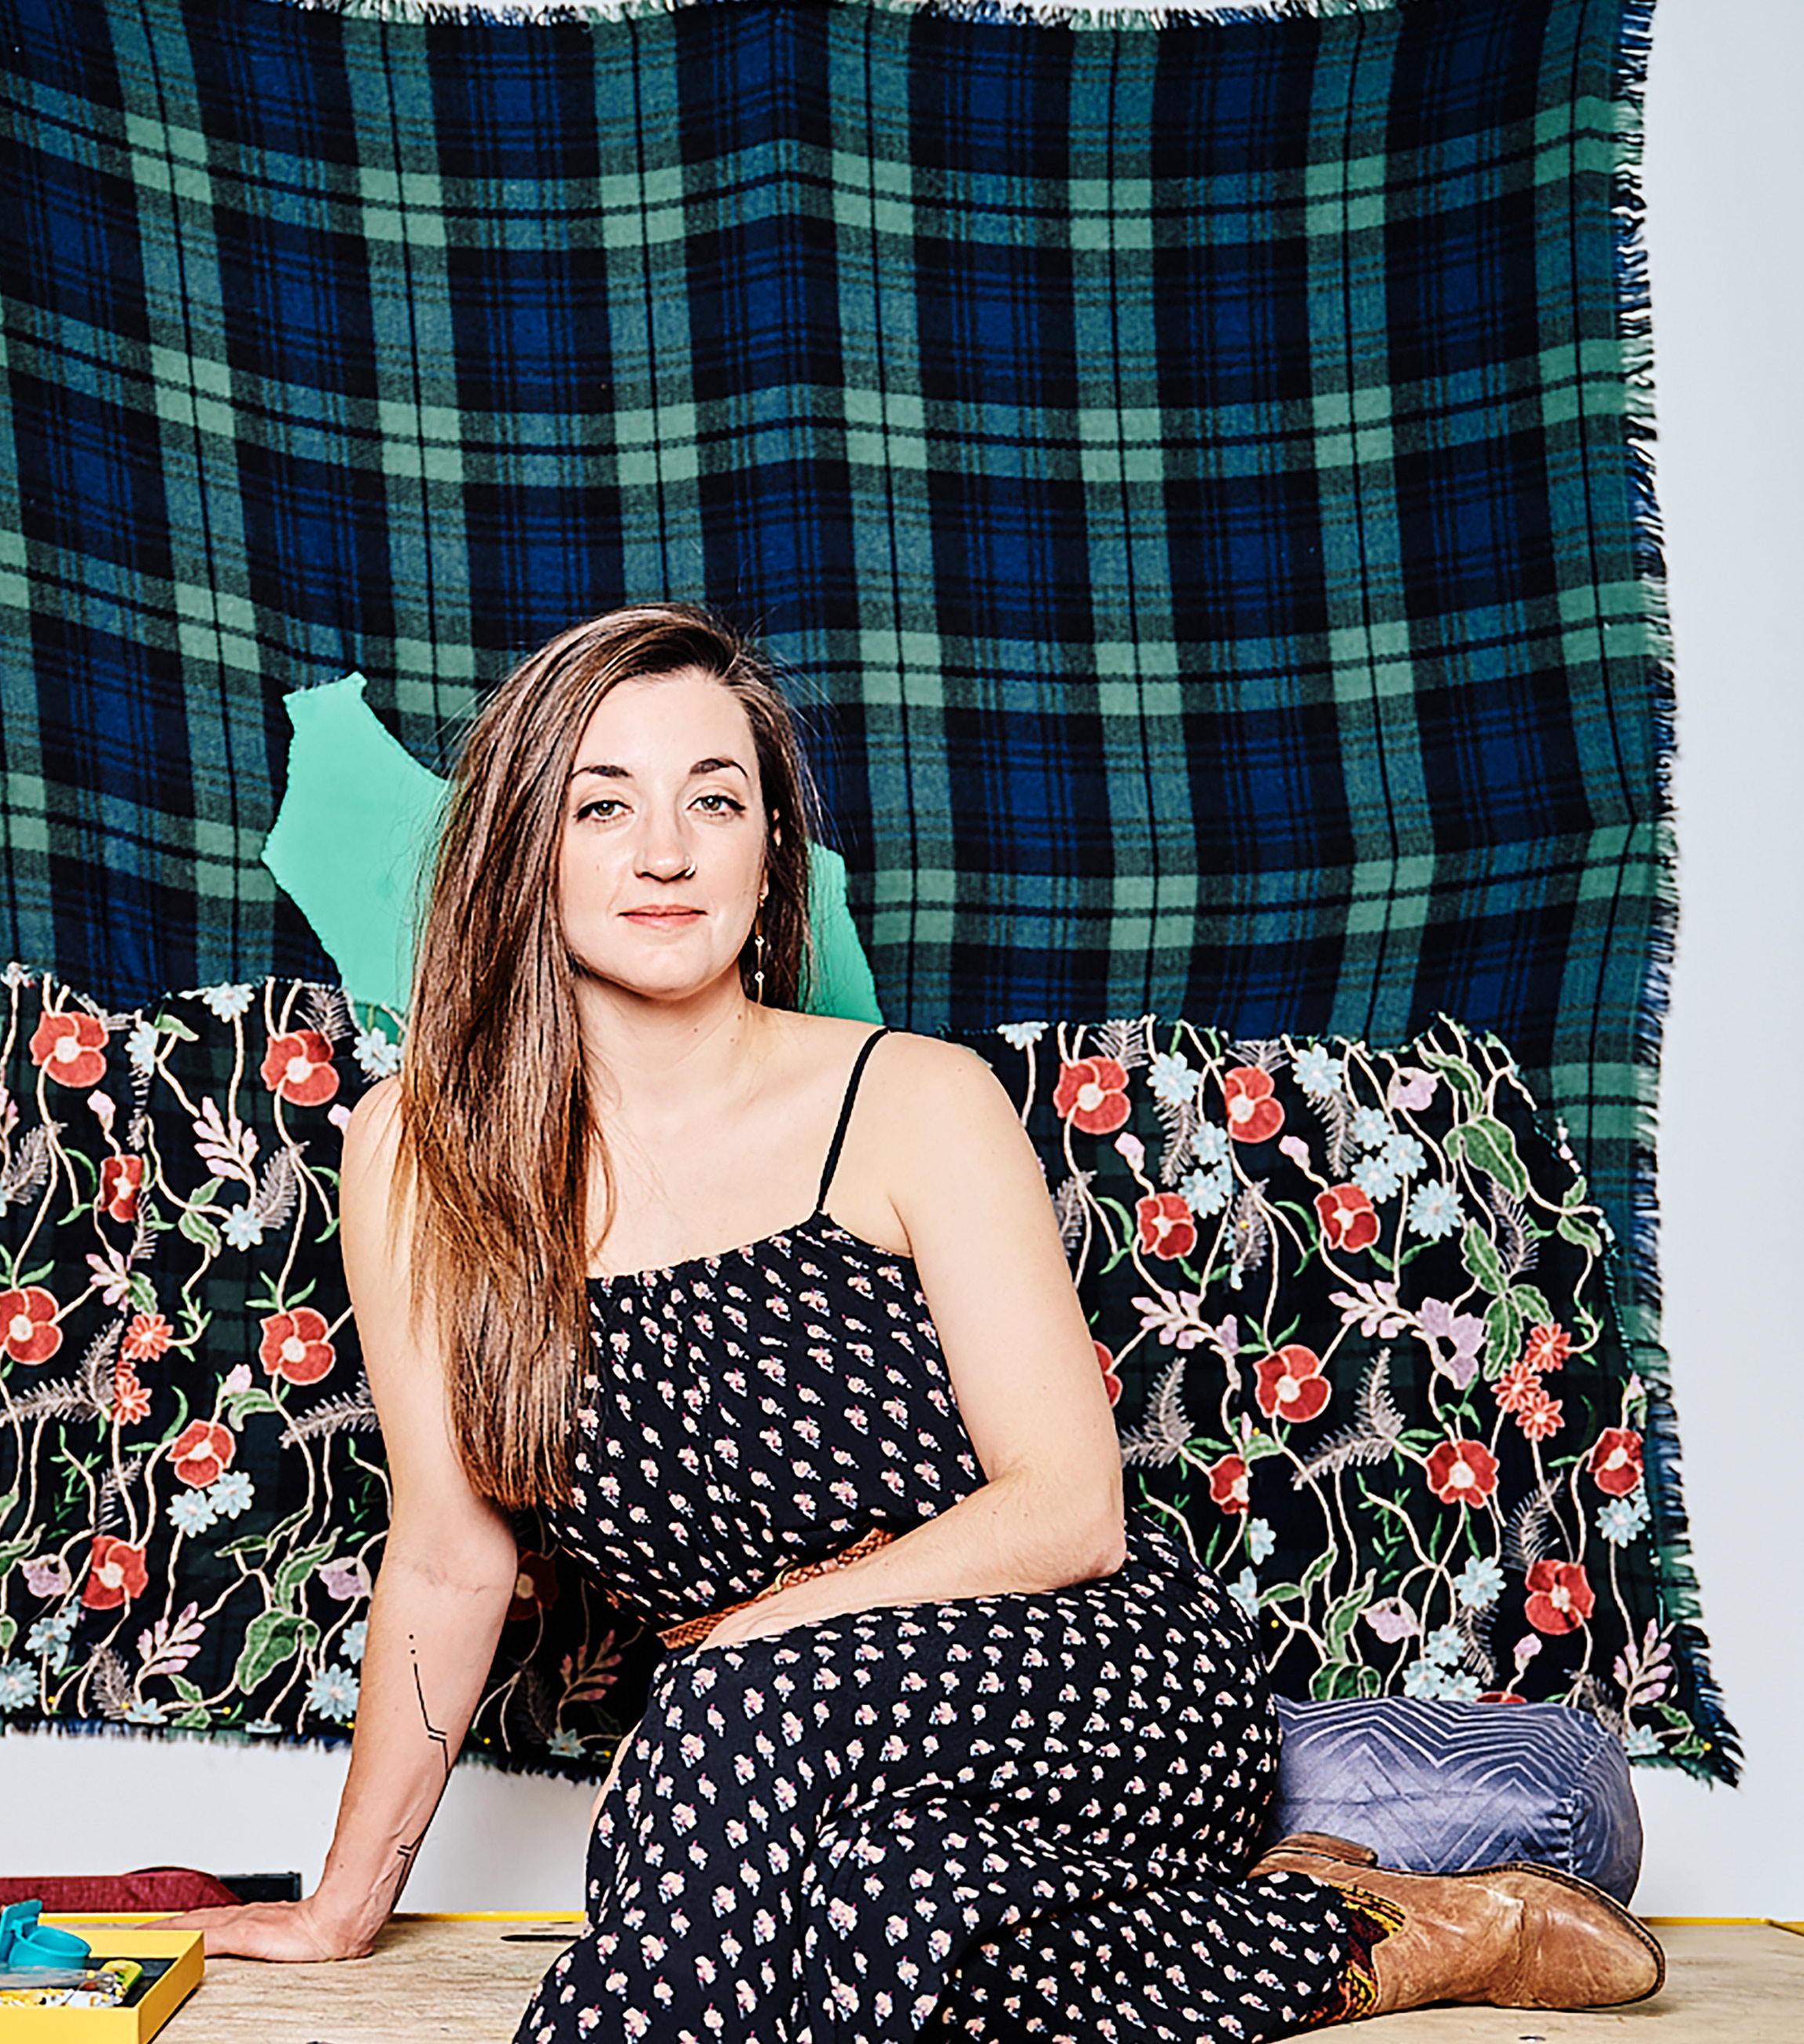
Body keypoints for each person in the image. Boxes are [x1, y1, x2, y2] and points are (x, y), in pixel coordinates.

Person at [169, 604, 1663, 2039]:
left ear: (773, 855)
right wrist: (345, 1907)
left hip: (1089, 1677)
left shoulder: (913, 1100)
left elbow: (1070, 1511)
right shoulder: (418, 1153)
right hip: (793, 1781)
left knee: (730, 1737)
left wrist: (756, 1643)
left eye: (717, 799)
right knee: (881, 1925)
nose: (668, 852)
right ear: (525, 851)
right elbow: (449, 1549)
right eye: (603, 806)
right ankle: (1396, 1931)